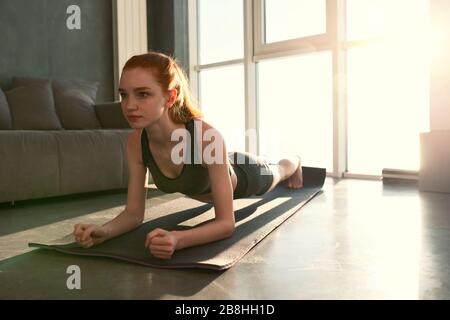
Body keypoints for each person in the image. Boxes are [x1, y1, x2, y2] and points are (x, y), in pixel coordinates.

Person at [73, 51, 303, 260]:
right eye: (124, 95)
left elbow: (225, 224)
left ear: (170, 97)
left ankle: (296, 160)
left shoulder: (205, 137)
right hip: (218, 166)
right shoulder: (136, 142)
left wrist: (178, 239)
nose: (129, 105)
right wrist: (104, 231)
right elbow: (133, 214)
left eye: (143, 94)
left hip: (246, 174)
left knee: (279, 170)